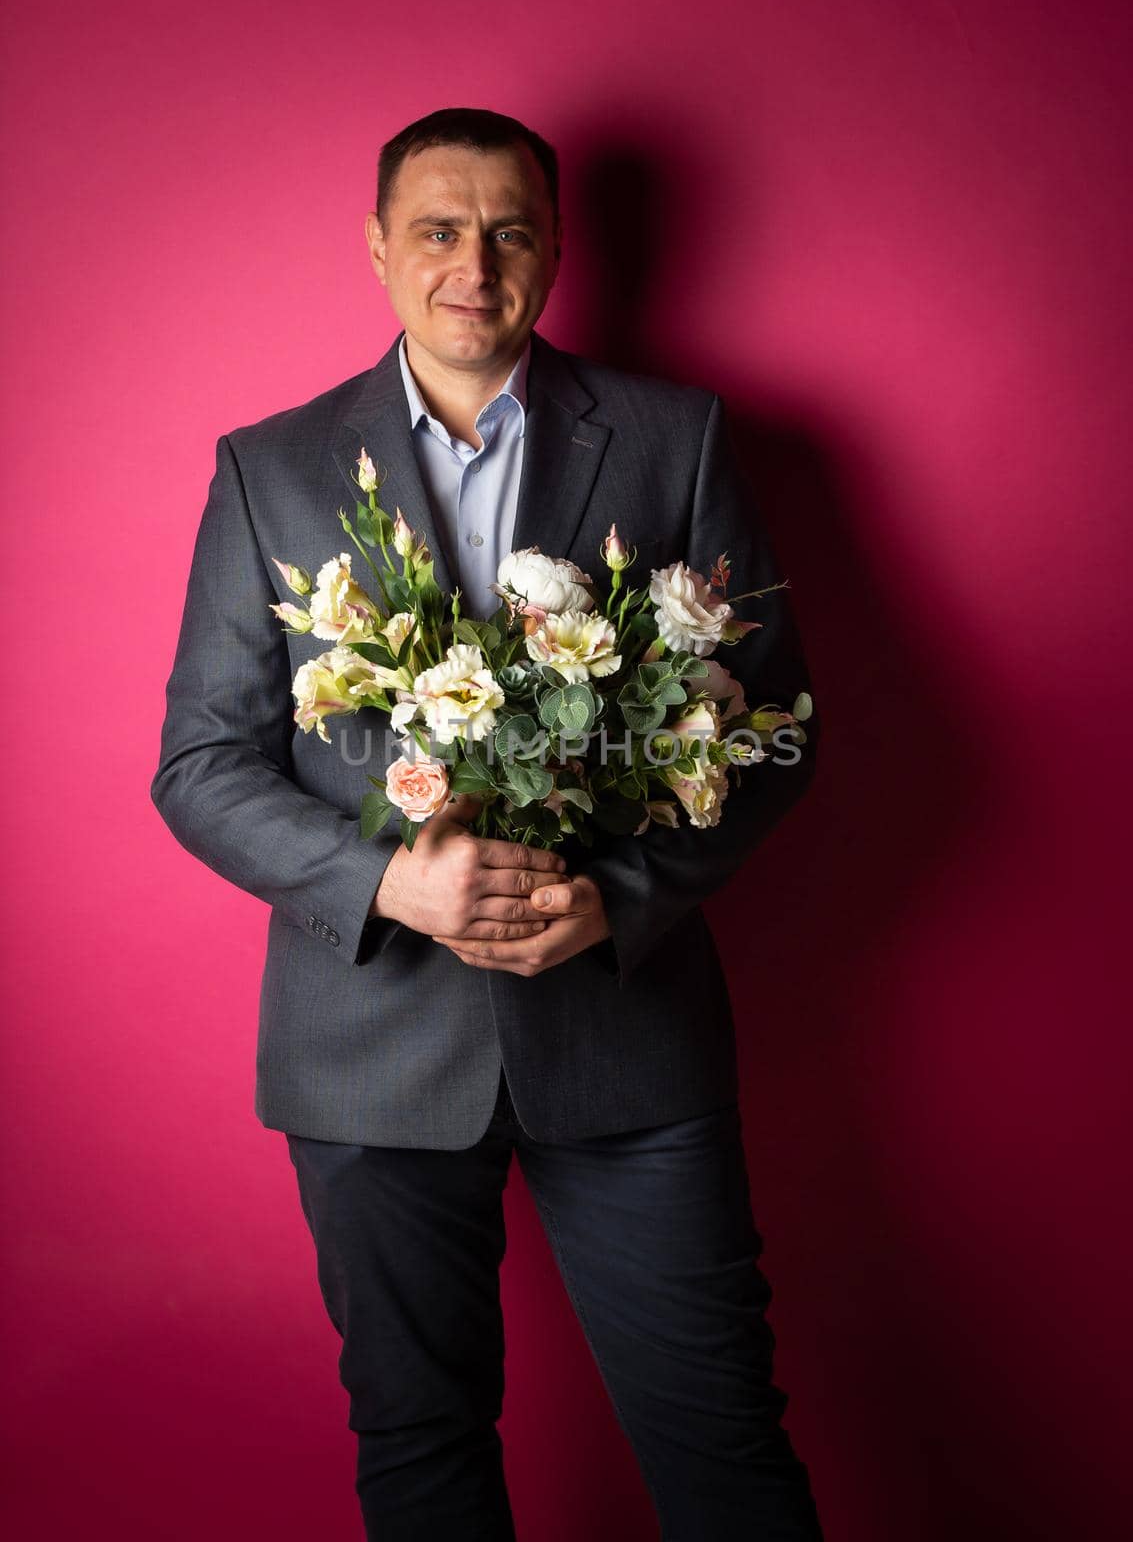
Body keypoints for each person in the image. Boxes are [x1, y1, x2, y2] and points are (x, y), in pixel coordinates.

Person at [152, 106, 825, 1540]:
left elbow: (771, 730)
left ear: (557, 247)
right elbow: (201, 765)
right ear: (381, 250)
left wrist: (625, 894)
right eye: (440, 230)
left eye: (510, 229)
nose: (475, 262)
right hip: (366, 1056)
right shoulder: (267, 470)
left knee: (723, 1448)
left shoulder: (673, 436)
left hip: (625, 1038)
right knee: (420, 1446)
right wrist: (388, 887)